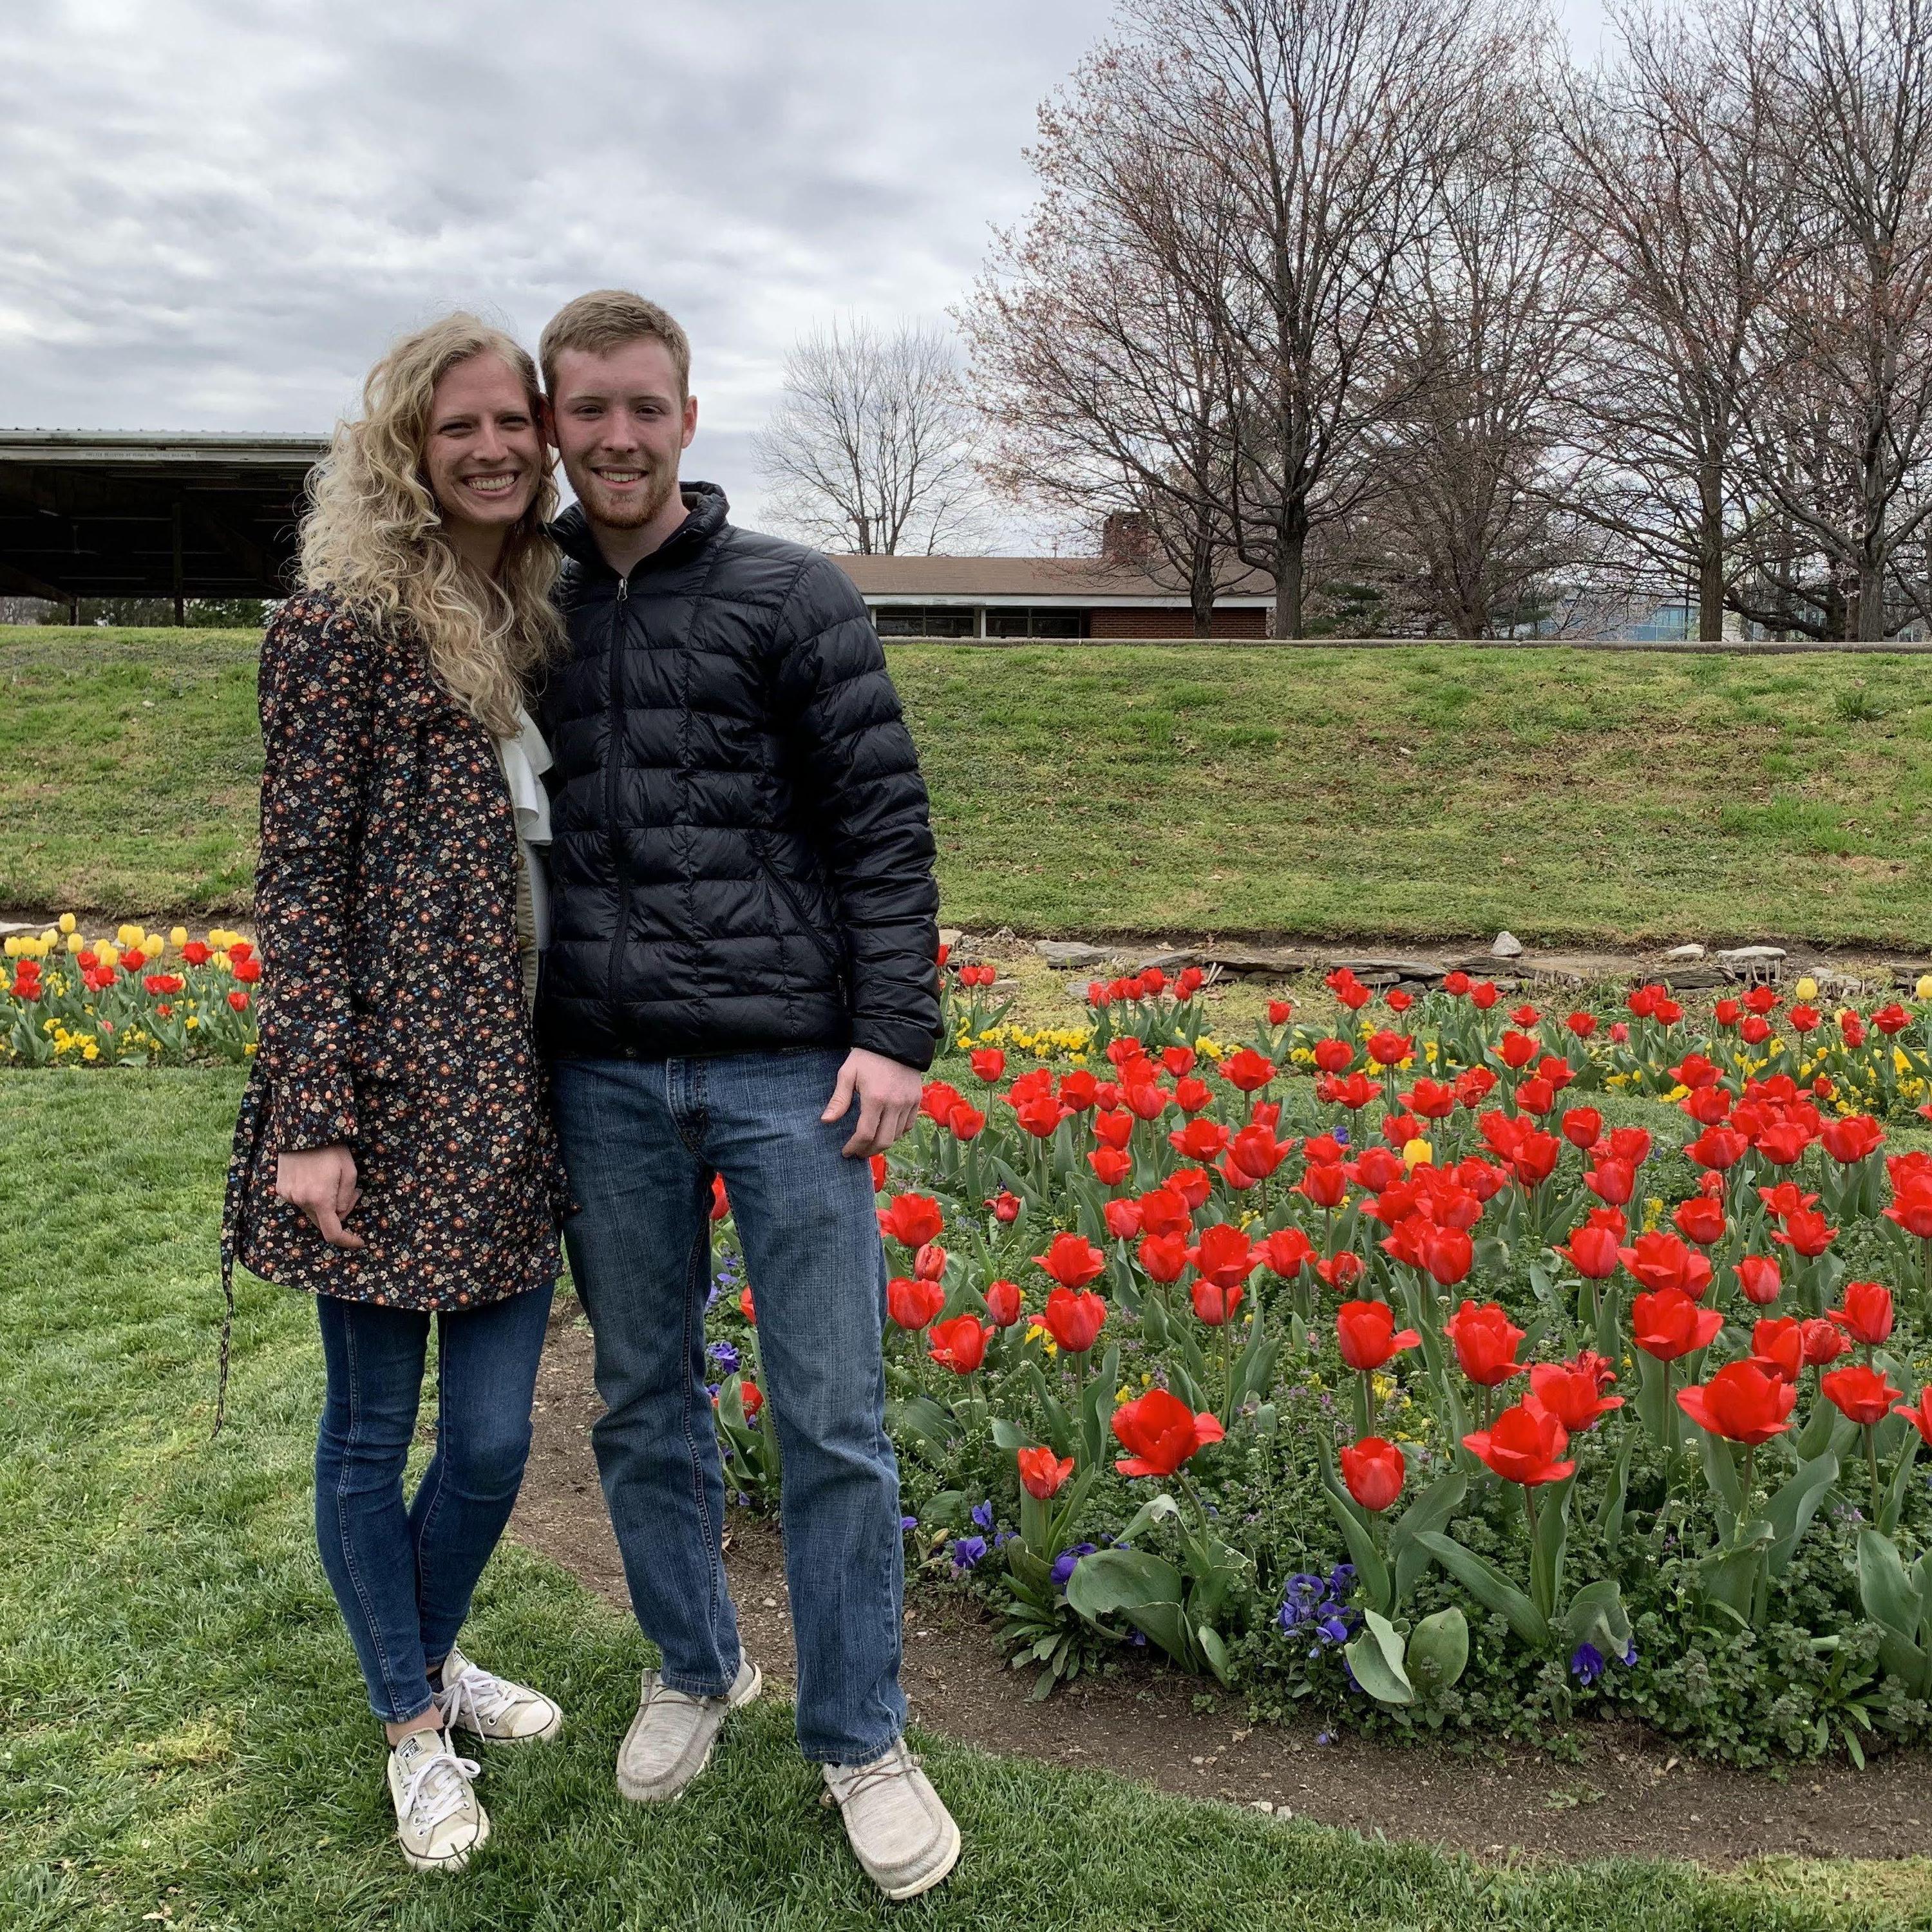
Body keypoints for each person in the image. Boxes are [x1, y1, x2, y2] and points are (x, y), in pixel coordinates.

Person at [533, 290, 959, 1900]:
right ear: (559, 424)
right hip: (606, 1076)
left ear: (689, 419)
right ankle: (693, 1668)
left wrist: (897, 1032)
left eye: (646, 408)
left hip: (791, 1070)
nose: (618, 438)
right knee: (643, 1399)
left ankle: (862, 1737)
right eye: (591, 412)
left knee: (832, 1416)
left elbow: (884, 829)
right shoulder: (521, 607)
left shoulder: (793, 595)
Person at [220, 314, 574, 1875]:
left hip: (510, 1095)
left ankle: (426, 1661)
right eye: (459, 429)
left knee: (492, 1441)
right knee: (375, 1434)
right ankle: (413, 1727)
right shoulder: (338, 629)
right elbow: (296, 882)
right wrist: (310, 1117)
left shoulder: (527, 619)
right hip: (377, 1098)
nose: (493, 448)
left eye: (513, 423)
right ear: (408, 455)